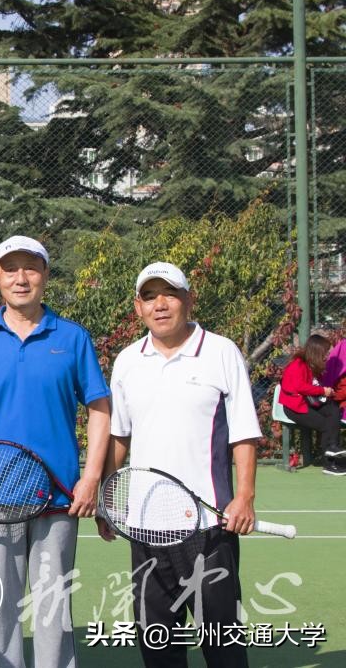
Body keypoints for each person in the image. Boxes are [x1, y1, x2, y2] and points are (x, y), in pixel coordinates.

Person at [0, 235, 110, 668]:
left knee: (52, 606)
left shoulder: (73, 338)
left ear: (45, 276)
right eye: (10, 269)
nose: (21, 278)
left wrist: (91, 477)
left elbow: (99, 409)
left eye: (31, 268)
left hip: (58, 496)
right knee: (0, 605)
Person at [105, 261, 261, 667]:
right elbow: (119, 437)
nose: (160, 304)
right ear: (138, 307)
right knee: (157, 643)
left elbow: (244, 434)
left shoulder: (222, 352)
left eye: (170, 294)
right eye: (150, 296)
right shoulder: (126, 361)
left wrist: (243, 496)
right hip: (144, 526)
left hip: (208, 528)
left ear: (188, 300)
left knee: (221, 643)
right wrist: (110, 498)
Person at [280, 333, 345, 475]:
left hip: (308, 402)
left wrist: (328, 392)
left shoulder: (314, 365)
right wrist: (323, 390)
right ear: (317, 352)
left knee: (333, 410)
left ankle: (333, 448)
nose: (328, 355)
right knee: (326, 425)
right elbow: (300, 386)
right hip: (294, 407)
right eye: (326, 352)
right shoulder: (298, 365)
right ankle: (329, 464)